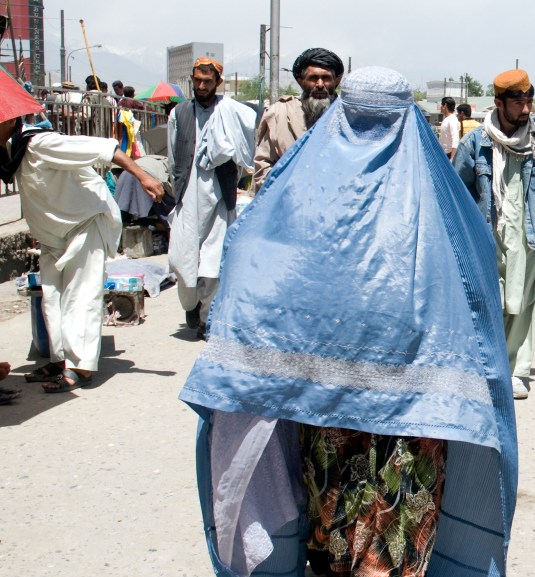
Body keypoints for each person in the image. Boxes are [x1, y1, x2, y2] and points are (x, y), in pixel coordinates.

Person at [179, 67, 518, 577]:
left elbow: (473, 265)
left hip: (412, 384)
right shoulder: (310, 182)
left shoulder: (420, 189)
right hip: (328, 386)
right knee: (336, 490)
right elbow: (261, 248)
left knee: (401, 494)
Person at [0, 75, 164, 393]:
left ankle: (82, 366)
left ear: (8, 121)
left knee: (81, 298)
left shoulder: (41, 143)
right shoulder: (10, 152)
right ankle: (60, 359)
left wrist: (143, 176)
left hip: (85, 226)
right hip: (52, 235)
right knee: (52, 300)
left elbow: (105, 149)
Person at [453, 69, 535, 400]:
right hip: (488, 234)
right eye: (518, 103)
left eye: (529, 102)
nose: (526, 110)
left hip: (527, 236)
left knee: (523, 303)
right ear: (499, 103)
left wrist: (531, 217)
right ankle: (488, 366)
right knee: (490, 302)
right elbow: (459, 190)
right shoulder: (476, 143)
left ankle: (517, 372)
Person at [167, 57, 255, 340]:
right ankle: (192, 306)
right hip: (187, 197)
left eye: (207, 81)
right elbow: (172, 156)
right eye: (197, 81)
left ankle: (207, 318)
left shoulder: (230, 112)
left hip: (218, 196)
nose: (201, 86)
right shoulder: (178, 114)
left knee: (214, 266)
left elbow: (246, 143)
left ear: (218, 83)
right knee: (182, 262)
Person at [253, 47, 344, 192]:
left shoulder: (347, 115)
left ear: (336, 81)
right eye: (313, 78)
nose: (320, 84)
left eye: (326, 78)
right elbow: (263, 166)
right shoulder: (279, 114)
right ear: (300, 81)